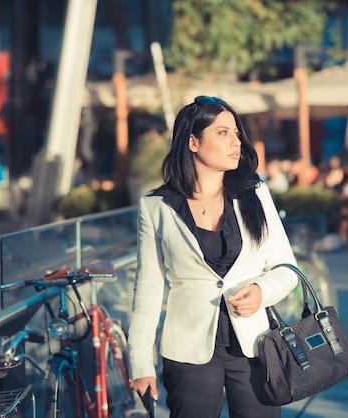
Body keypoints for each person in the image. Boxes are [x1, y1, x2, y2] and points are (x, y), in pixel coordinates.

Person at [127, 96, 299, 418]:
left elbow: (287, 268)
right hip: (188, 349)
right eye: (223, 133)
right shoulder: (156, 208)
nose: (236, 142)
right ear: (193, 142)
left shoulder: (255, 193)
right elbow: (148, 290)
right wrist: (140, 362)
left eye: (236, 133)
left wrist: (262, 291)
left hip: (254, 346)